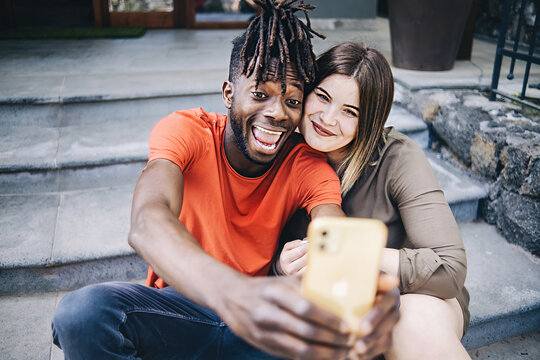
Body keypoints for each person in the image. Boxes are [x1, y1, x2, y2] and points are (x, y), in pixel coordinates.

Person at [51, 2, 400, 359]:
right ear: (229, 94)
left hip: (258, 328)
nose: (277, 112)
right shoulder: (187, 131)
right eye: (260, 94)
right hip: (180, 311)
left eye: (292, 100)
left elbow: (332, 226)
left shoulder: (304, 164)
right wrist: (233, 294)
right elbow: (147, 222)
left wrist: (360, 295)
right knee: (83, 314)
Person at [277, 41, 471, 360]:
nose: (326, 118)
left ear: (368, 121)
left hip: (413, 294)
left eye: (349, 112)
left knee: (411, 322)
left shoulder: (397, 158)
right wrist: (282, 267)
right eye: (322, 97)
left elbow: (448, 270)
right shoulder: (277, 145)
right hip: (326, 307)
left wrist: (355, 250)